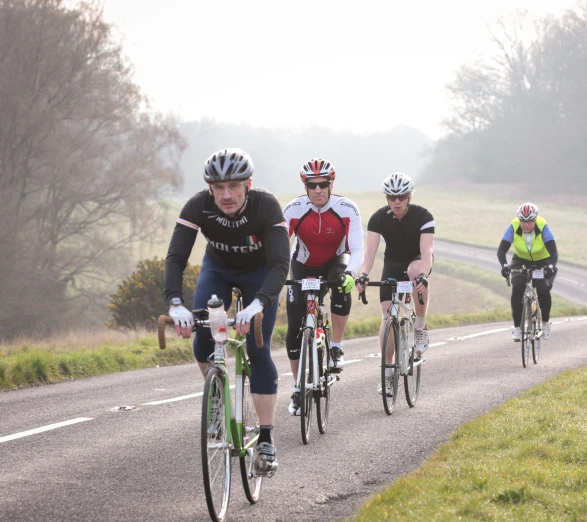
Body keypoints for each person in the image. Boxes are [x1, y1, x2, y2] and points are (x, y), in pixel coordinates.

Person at [164, 148, 290, 475]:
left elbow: (280, 263)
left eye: (233, 186)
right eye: (217, 188)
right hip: (218, 269)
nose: (226, 195)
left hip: (261, 275)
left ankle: (265, 439)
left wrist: (258, 304)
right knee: (203, 337)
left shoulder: (266, 205)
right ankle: (217, 398)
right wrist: (176, 304)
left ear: (248, 183)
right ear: (209, 189)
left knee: (258, 349)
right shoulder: (198, 206)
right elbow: (176, 257)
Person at [282, 158, 364, 415]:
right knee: (295, 321)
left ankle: (336, 347)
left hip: (335, 262)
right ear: (305, 185)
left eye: (323, 184)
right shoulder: (294, 208)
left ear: (331, 183)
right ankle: (297, 387)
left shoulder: (347, 207)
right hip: (303, 264)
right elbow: (279, 245)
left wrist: (351, 273)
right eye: (312, 184)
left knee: (341, 284)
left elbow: (357, 248)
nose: (318, 190)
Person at [354, 172, 434, 396]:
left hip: (417, 262)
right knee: (388, 317)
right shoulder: (378, 217)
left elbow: (427, 250)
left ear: (409, 197)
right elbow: (370, 252)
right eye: (392, 197)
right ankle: (387, 374)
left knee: (414, 271)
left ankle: (419, 326)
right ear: (387, 198)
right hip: (392, 264)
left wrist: (424, 274)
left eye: (401, 197)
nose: (396, 201)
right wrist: (364, 274)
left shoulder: (423, 215)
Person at [496, 202, 558, 342]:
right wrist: (505, 265)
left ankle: (545, 323)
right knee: (517, 288)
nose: (526, 225)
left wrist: (550, 266)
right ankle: (518, 328)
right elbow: (501, 250)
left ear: (535, 219)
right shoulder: (514, 226)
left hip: (542, 260)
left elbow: (553, 251)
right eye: (523, 221)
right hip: (521, 260)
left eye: (530, 221)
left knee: (542, 289)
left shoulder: (543, 226)